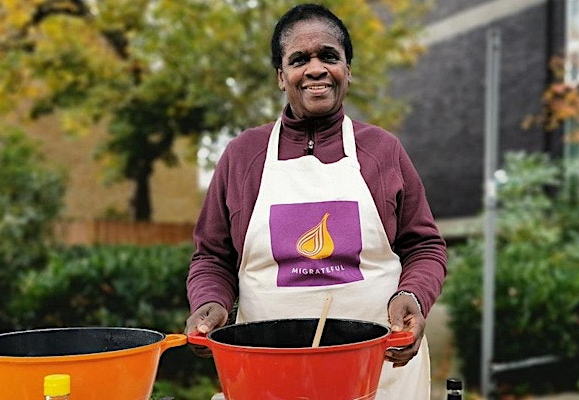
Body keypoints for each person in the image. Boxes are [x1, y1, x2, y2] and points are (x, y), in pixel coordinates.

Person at [185, 3, 447, 398]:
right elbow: (211, 256)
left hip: (380, 373)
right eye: (298, 59)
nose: (315, 69)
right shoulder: (243, 156)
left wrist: (413, 296)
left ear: (348, 70)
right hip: (270, 373)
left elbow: (424, 246)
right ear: (281, 76)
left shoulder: (382, 151)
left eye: (329, 56)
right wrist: (211, 301)